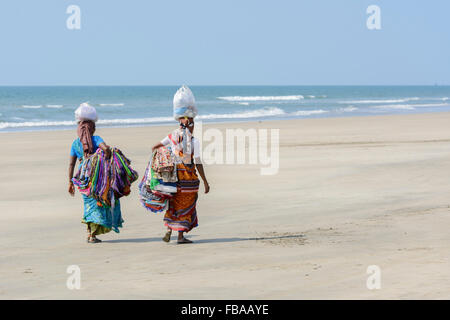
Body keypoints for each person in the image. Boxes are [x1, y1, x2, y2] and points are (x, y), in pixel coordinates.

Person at [68, 103, 123, 243]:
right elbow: (106, 149)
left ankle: (90, 233)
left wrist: (70, 182)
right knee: (99, 203)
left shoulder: (75, 144)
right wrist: (107, 155)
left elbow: (71, 164)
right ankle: (92, 235)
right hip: (97, 179)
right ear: (92, 128)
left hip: (82, 179)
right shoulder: (96, 139)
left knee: (89, 205)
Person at [151, 116, 210, 244]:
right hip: (188, 180)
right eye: (193, 124)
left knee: (173, 203)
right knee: (187, 205)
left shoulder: (172, 136)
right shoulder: (194, 141)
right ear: (190, 126)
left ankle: (169, 229)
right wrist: (205, 181)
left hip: (173, 177)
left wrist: (159, 161)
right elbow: (198, 162)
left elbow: (156, 147)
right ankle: (180, 236)